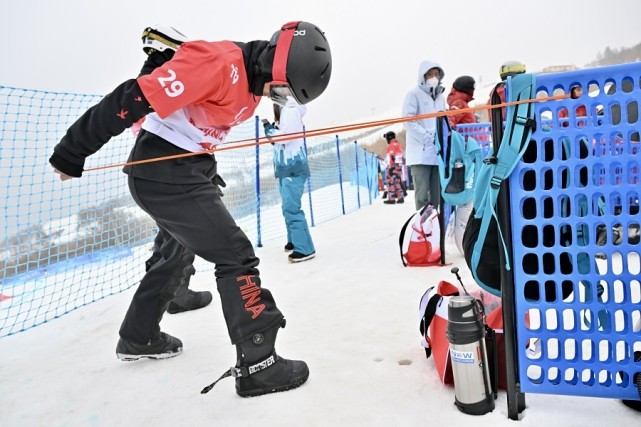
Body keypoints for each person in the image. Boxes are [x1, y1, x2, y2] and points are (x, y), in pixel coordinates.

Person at [49, 21, 332, 397]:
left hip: (186, 170)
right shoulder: (221, 64)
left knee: (175, 253)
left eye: (284, 96)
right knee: (235, 255)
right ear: (274, 63)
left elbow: (198, 129)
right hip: (163, 170)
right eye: (280, 89)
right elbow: (131, 97)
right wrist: (72, 152)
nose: (275, 97)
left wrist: (207, 173)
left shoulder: (251, 82)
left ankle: (139, 336)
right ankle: (259, 363)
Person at [264, 97, 316, 262]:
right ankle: (294, 240)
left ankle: (305, 249)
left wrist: (270, 131)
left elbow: (285, 137)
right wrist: (273, 130)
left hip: (292, 168)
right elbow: (282, 142)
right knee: (287, 208)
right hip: (285, 169)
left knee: (291, 208)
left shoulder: (290, 110)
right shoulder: (286, 112)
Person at [402, 61, 446, 210]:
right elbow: (408, 120)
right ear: (423, 76)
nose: (434, 77)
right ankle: (422, 227)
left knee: (436, 195)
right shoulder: (414, 94)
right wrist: (427, 138)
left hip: (437, 152)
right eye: (430, 74)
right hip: (420, 154)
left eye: (436, 74)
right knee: (422, 196)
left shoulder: (441, 97)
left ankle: (434, 227)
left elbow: (443, 121)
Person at [382, 131, 405, 204]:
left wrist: (391, 167)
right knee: (397, 181)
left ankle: (391, 198)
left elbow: (392, 156)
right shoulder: (398, 144)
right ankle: (400, 197)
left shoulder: (392, 145)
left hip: (393, 166)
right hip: (398, 166)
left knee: (390, 182)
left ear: (389, 138)